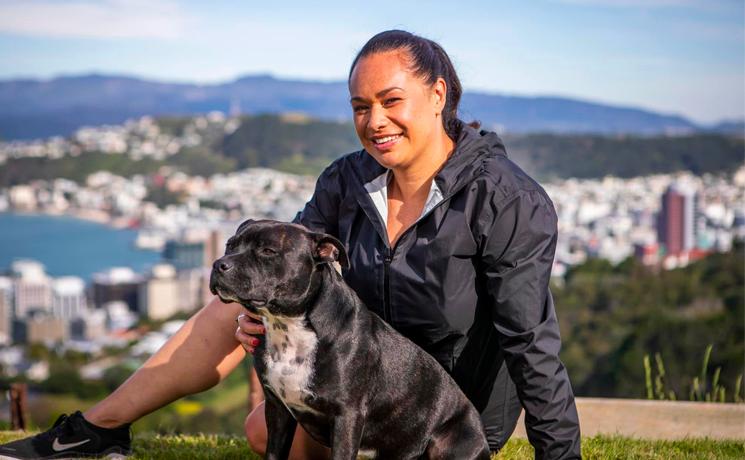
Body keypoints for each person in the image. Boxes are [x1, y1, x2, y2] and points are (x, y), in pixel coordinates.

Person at [0, 30, 581, 460]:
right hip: (350, 380)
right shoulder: (347, 181)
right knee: (238, 306)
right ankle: (99, 429)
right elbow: (283, 270)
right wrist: (253, 315)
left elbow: (532, 347)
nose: (374, 120)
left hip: (447, 414)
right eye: (360, 106)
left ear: (438, 95)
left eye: (390, 101)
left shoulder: (506, 201)